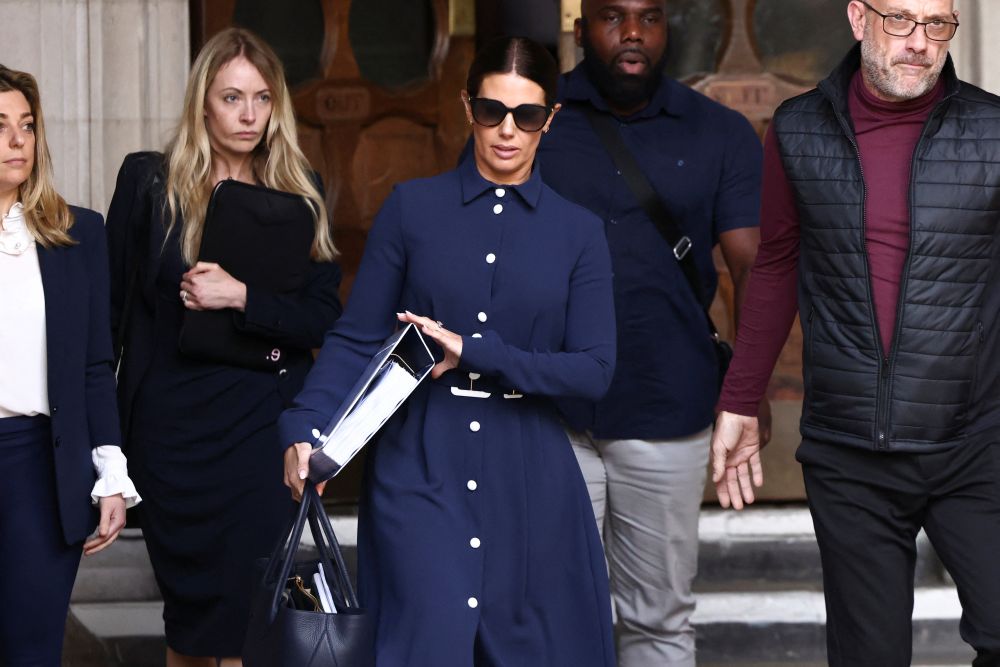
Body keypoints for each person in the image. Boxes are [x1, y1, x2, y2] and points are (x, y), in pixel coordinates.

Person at [280, 36, 618, 667]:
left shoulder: (578, 232)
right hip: (420, 463)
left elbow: (595, 370)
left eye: (528, 116)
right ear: (468, 107)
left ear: (552, 119)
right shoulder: (413, 208)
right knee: (423, 644)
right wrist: (306, 427)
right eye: (492, 112)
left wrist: (477, 351)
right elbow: (358, 337)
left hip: (533, 477)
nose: (508, 131)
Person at [711, 1, 1000, 664]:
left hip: (974, 441)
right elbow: (777, 264)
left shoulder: (993, 129)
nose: (920, 43)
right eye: (901, 20)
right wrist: (740, 399)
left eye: (938, 25)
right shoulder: (798, 128)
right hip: (851, 451)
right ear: (857, 17)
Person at [533, 1, 765, 664]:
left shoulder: (717, 132)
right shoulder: (532, 118)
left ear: (668, 30)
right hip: (546, 409)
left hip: (668, 405)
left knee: (658, 619)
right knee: (544, 613)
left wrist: (745, 393)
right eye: (612, 16)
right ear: (582, 29)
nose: (631, 33)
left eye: (649, 17)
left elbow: (752, 264)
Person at [106, 28, 342, 667]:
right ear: (202, 103)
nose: (247, 114)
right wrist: (104, 445)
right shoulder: (149, 183)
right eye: (231, 97)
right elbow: (111, 316)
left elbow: (322, 317)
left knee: (247, 625)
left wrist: (242, 297)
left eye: (261, 98)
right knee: (187, 625)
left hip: (259, 430)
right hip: (171, 438)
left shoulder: (301, 191)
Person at [0, 64, 140, 666]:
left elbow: (92, 366)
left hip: (38, 464)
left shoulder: (77, 233)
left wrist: (109, 468)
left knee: (30, 650)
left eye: (27, 126)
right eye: (0, 126)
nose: (17, 141)